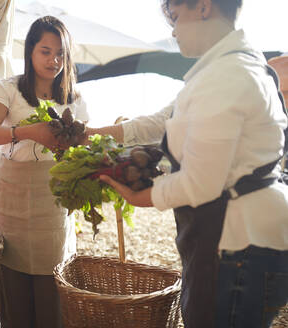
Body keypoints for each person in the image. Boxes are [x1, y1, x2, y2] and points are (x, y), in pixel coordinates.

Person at [85, 0, 288, 327]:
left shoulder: (226, 75)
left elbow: (200, 183)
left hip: (238, 245)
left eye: (176, 17)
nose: (173, 31)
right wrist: (93, 134)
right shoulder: (235, 65)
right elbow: (164, 121)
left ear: (203, 7)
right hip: (252, 237)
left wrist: (142, 197)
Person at [0, 16, 89, 328]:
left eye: (60, 53)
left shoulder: (75, 99)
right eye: (45, 51)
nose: (54, 60)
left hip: (53, 198)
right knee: (13, 282)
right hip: (13, 195)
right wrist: (28, 132)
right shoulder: (9, 89)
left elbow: (85, 144)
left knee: (50, 283)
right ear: (30, 51)